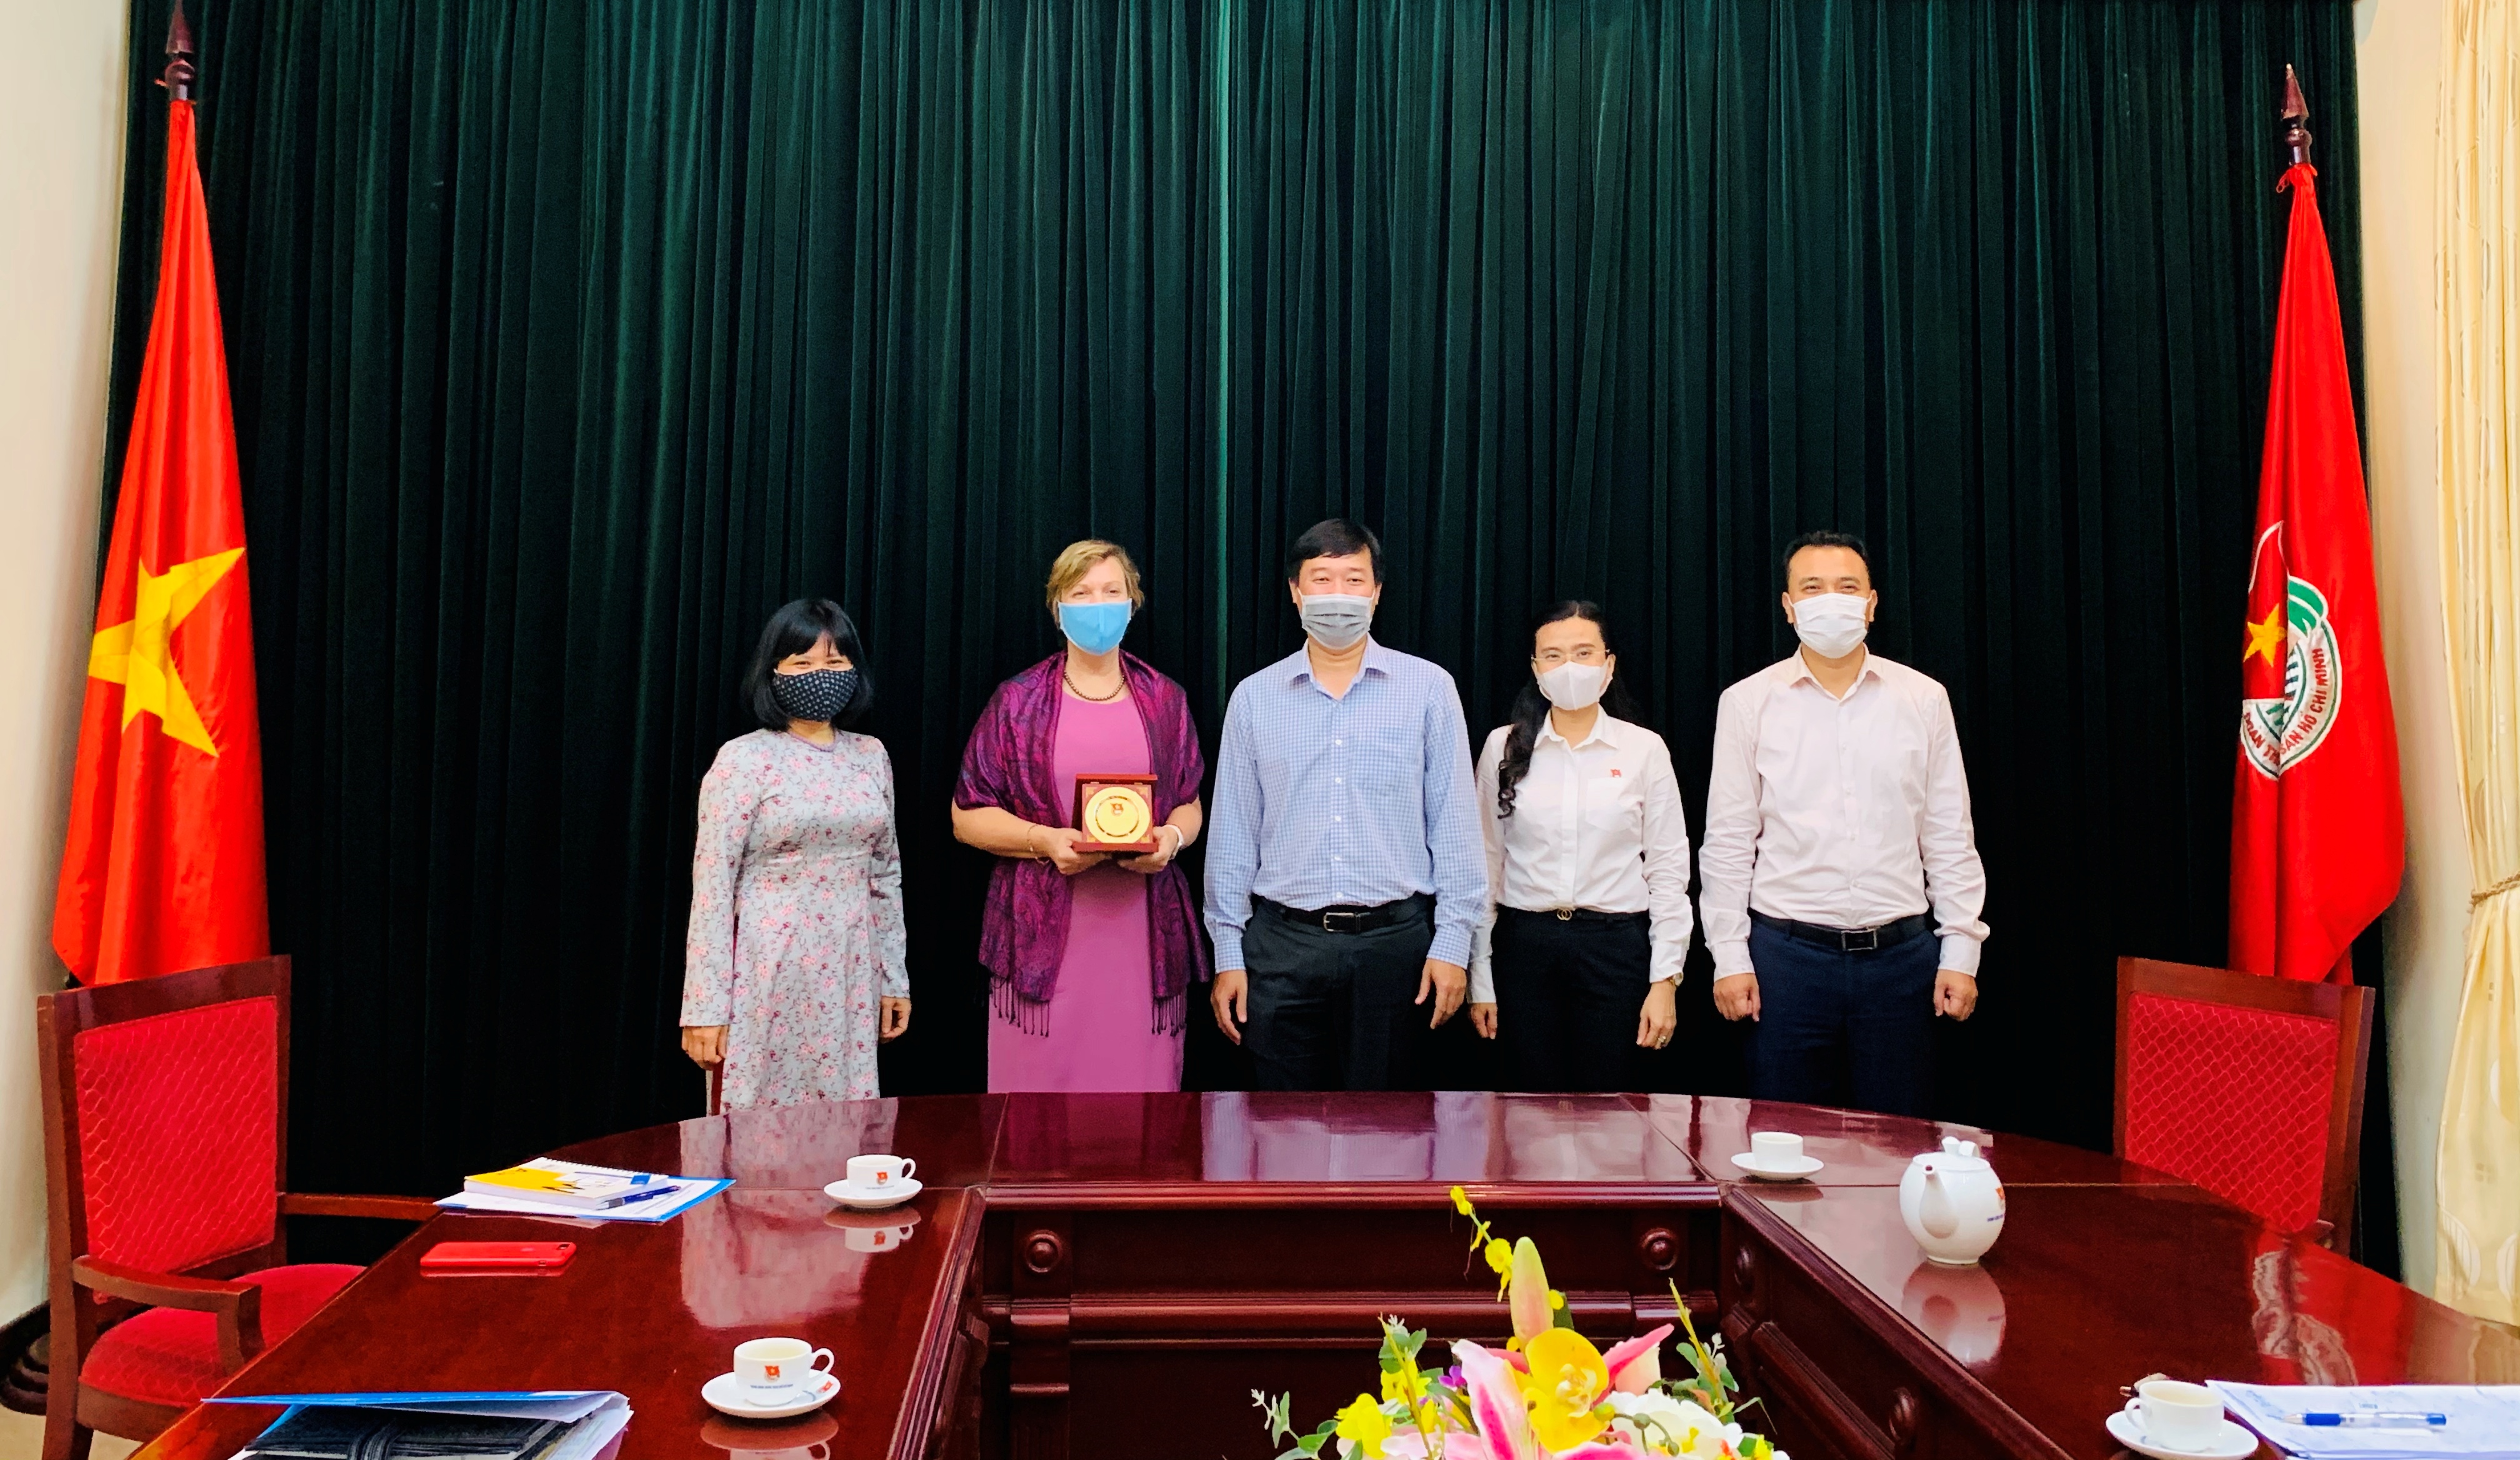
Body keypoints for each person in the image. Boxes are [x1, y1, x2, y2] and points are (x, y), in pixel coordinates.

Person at [1698, 531, 1988, 1118]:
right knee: (1783, 1138)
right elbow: (1728, 841)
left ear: (1872, 604)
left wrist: (1961, 949)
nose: (1831, 600)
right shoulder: (1748, 702)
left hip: (1902, 961)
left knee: (1898, 1141)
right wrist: (1729, 956)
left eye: (1847, 587)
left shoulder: (1923, 698)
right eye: (1813, 588)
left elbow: (1948, 833)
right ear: (1788, 606)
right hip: (1786, 961)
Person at [1205, 518, 1485, 1090]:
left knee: (1392, 1128)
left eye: (1354, 580)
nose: (1338, 595)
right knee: (1282, 1127)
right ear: (1295, 592)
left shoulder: (1429, 688)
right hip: (1282, 948)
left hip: (1396, 948)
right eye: (1322, 579)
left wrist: (1454, 943)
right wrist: (1228, 953)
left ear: (1377, 592)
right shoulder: (1254, 697)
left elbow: (1455, 827)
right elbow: (1233, 835)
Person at [952, 540, 1207, 1091]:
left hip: (1141, 940)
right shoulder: (1016, 701)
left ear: (1133, 605)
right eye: (1082, 593)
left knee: (1137, 1104)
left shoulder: (1166, 700)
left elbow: (1189, 803)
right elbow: (966, 816)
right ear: (1057, 608)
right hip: (1041, 944)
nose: (1098, 605)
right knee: (1037, 1111)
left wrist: (1171, 838)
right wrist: (1043, 841)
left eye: (1112, 592)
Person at [681, 599, 910, 1111]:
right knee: (755, 1120)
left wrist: (893, 978)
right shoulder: (743, 760)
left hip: (850, 970)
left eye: (835, 661)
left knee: (843, 1118)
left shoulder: (870, 755)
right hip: (764, 969)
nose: (820, 675)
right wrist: (704, 1006)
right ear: (773, 671)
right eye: (802, 662)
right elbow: (713, 886)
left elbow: (884, 874)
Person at [1467, 602, 1692, 1091]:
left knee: (1613, 1107)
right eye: (1553, 655)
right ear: (1536, 668)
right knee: (1526, 1107)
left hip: (1615, 949)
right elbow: (1486, 863)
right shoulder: (1503, 747)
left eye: (1584, 653)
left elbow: (1668, 870)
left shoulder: (1644, 749)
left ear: (1609, 664)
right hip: (1525, 948)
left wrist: (1665, 980)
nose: (1569, 667)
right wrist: (1479, 977)